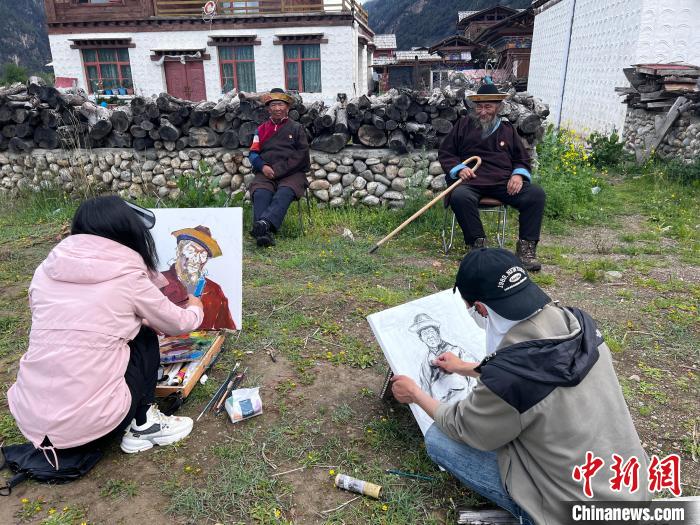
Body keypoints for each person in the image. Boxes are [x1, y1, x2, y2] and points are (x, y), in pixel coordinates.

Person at [391, 248, 650, 524]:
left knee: (438, 438)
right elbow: (535, 366)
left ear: (480, 308)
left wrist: (416, 394)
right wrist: (464, 367)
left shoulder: (508, 378)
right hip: (632, 489)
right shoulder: (575, 322)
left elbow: (462, 424)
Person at [8, 196, 204, 459]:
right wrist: (196, 307)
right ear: (128, 230)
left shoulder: (45, 270)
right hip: (93, 425)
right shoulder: (128, 276)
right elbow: (179, 323)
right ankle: (145, 424)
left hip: (32, 421)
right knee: (144, 334)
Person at [438, 82, 546, 271]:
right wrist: (459, 169)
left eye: (488, 107)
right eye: (479, 106)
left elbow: (522, 158)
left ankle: (526, 252)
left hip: (502, 183)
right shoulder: (463, 125)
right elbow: (446, 153)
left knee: (535, 194)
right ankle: (478, 248)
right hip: (470, 181)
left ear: (498, 107)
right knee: (460, 196)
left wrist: (518, 175)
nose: (483, 111)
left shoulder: (507, 130)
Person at [248, 88, 311, 247]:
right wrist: (262, 166)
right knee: (260, 192)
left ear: (287, 108)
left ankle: (263, 225)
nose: (277, 108)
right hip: (266, 172)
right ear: (268, 109)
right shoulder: (260, 130)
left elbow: (302, 154)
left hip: (292, 173)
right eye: (273, 105)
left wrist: (278, 170)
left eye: (281, 104)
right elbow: (253, 153)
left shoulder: (296, 128)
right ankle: (265, 233)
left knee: (285, 192)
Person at [160, 225, 236, 330]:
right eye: (191, 251)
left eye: (203, 255)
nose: (196, 259)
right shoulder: (159, 282)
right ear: (179, 251)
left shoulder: (214, 290)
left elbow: (227, 329)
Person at [409, 313, 477, 402]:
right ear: (421, 338)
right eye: (425, 334)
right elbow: (425, 389)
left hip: (466, 400)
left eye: (431, 331)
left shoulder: (456, 351)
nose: (429, 336)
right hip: (442, 406)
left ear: (437, 332)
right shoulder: (425, 363)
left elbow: (476, 372)